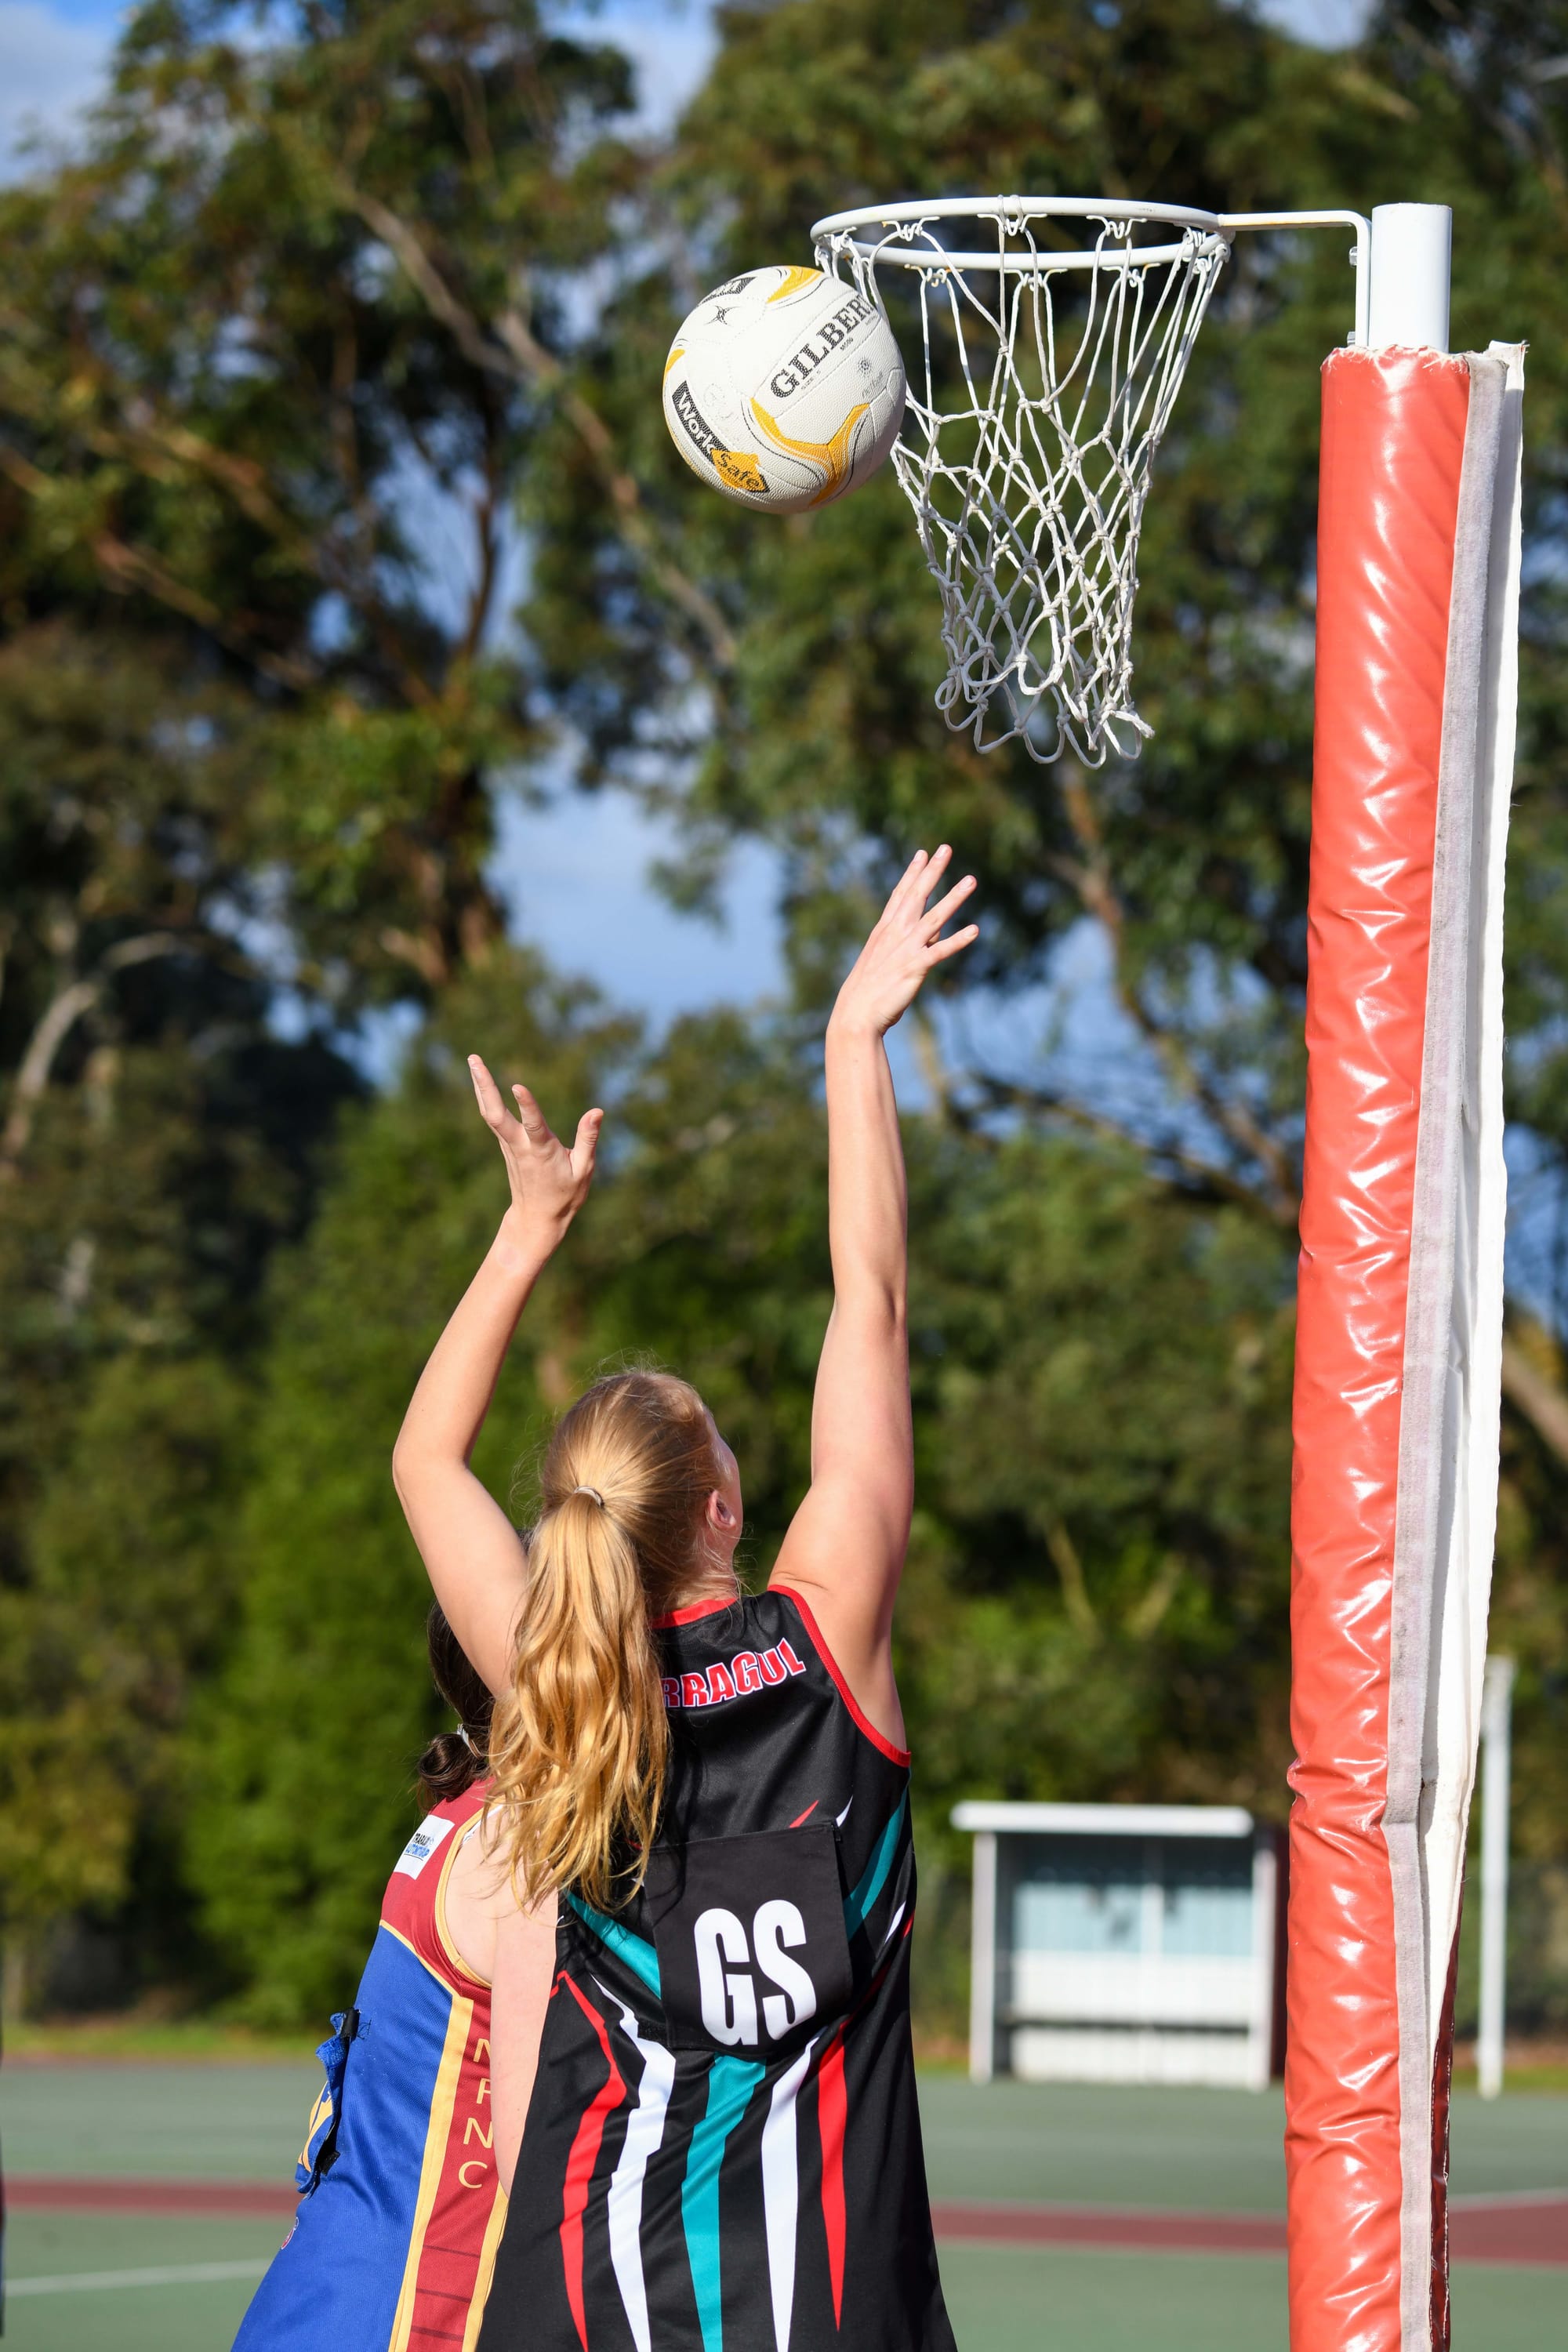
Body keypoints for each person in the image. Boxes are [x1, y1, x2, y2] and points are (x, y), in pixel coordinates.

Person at [393, 845, 978, 2352]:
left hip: (583, 2316)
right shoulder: (827, 1643)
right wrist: (855, 1042)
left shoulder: (558, 1700)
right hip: (836, 2319)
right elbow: (873, 1296)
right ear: (726, 1509)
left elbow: (422, 1458)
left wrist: (527, 1232)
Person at [231, 1605, 556, 2352]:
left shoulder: (468, 1813)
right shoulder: (524, 1840)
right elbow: (547, 2160)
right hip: (414, 2312)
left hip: (329, 2292)